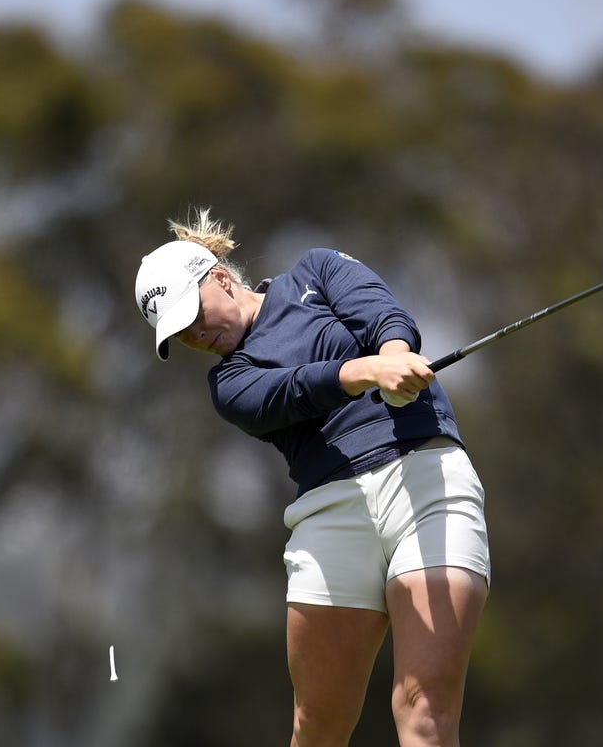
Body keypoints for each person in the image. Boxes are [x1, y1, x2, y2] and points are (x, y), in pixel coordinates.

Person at [133, 207, 490, 747]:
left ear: (220, 278)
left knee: (424, 706)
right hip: (331, 515)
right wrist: (367, 370)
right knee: (318, 727)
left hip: (427, 479)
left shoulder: (315, 271)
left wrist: (395, 356)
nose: (194, 334)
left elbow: (383, 315)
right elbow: (292, 391)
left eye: (193, 313)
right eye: (179, 332)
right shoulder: (229, 384)